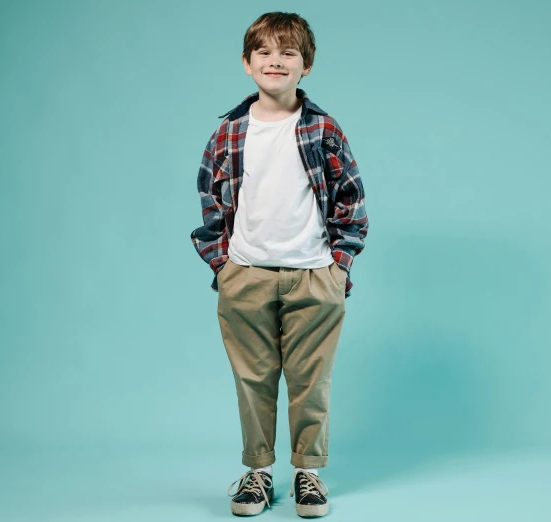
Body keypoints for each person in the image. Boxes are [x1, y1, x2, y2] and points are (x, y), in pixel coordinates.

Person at [190, 11, 368, 518]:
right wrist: (222, 266)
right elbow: (210, 201)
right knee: (254, 380)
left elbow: (350, 198)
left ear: (305, 66)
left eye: (288, 52)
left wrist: (339, 266)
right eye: (264, 52)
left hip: (314, 275)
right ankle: (258, 475)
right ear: (247, 64)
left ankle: (308, 475)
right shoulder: (229, 132)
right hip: (245, 275)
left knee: (311, 381)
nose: (276, 61)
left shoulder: (323, 129)